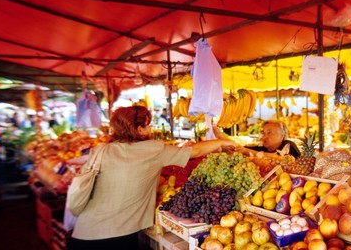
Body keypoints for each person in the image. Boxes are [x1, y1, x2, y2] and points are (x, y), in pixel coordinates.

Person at [67, 106, 236, 250]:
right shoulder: (151, 149)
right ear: (139, 130)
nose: (151, 130)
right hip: (117, 237)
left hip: (82, 234)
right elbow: (196, 151)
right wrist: (222, 142)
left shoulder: (101, 150)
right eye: (148, 126)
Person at [214, 120, 301, 158]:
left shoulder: (288, 145)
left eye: (269, 132)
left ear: (281, 136)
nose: (264, 136)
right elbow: (239, 147)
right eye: (263, 132)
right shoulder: (262, 148)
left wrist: (245, 151)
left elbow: (281, 159)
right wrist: (220, 135)